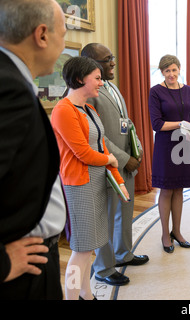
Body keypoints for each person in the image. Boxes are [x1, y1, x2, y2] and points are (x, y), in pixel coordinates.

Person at [0, 0, 67, 300]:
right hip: (22, 271)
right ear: (42, 35)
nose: (63, 46)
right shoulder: (8, 87)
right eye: (63, 35)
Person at [51, 56, 130, 300]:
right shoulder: (63, 110)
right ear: (79, 79)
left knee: (89, 248)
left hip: (97, 182)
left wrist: (119, 181)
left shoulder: (89, 109)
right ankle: (73, 296)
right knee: (81, 251)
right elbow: (83, 153)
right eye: (96, 78)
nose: (100, 83)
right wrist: (111, 161)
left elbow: (103, 148)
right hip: (79, 186)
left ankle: (86, 294)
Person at [81, 43, 149, 286]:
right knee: (107, 217)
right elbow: (98, 135)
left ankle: (123, 254)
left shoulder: (112, 87)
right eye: (107, 59)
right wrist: (124, 159)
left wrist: (137, 147)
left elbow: (125, 122)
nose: (113, 62)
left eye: (112, 57)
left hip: (126, 160)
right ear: (91, 63)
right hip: (108, 164)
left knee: (124, 210)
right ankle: (104, 267)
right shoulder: (88, 93)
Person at [149, 55, 190, 253]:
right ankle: (164, 234)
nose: (171, 74)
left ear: (179, 69)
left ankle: (177, 232)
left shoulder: (188, 90)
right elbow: (156, 124)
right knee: (167, 190)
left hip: (184, 144)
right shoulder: (155, 91)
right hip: (165, 145)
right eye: (167, 70)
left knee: (179, 190)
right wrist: (179, 124)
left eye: (174, 70)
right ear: (162, 72)